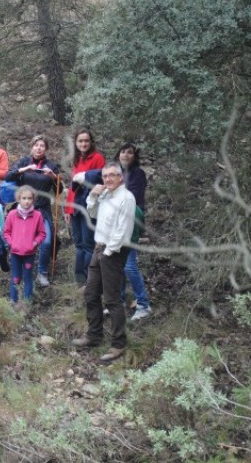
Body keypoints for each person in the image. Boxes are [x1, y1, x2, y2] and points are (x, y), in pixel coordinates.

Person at [72, 163, 136, 362]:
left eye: (112, 175)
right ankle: (94, 335)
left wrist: (108, 252)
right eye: (105, 176)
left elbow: (123, 230)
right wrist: (92, 196)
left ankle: (118, 344)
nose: (108, 179)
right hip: (99, 247)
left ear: (120, 177)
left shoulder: (126, 198)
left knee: (111, 299)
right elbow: (92, 214)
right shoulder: (106, 194)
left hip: (113, 251)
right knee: (91, 293)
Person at [5, 135, 61, 286]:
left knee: (46, 241)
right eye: (36, 145)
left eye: (42, 145)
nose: (39, 148)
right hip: (22, 210)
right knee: (15, 238)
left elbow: (59, 190)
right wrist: (24, 169)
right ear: (32, 147)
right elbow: (8, 176)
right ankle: (16, 270)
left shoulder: (51, 165)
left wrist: (53, 176)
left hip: (42, 209)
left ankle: (42, 273)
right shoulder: (24, 161)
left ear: (46, 148)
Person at [115, 143, 152, 320]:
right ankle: (120, 300)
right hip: (115, 222)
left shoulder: (138, 174)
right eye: (123, 152)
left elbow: (132, 198)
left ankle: (143, 305)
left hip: (131, 222)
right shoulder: (115, 172)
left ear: (134, 156)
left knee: (129, 265)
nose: (125, 155)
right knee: (118, 264)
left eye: (129, 152)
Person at [65, 129, 105, 284]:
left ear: (91, 142)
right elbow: (72, 187)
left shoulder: (98, 158)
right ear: (76, 143)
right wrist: (68, 209)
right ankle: (79, 278)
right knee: (79, 243)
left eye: (86, 141)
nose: (83, 143)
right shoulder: (77, 159)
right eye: (80, 141)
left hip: (90, 206)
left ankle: (89, 278)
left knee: (88, 244)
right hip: (75, 207)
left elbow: (102, 179)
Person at [3, 185, 47, 303]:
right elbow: (6, 232)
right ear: (19, 199)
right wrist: (12, 243)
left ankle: (27, 303)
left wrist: (34, 243)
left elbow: (42, 233)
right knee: (15, 278)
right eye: (24, 198)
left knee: (27, 277)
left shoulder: (37, 215)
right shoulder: (12, 214)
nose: (27, 201)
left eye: (29, 198)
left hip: (29, 254)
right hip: (15, 253)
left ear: (33, 200)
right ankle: (13, 302)